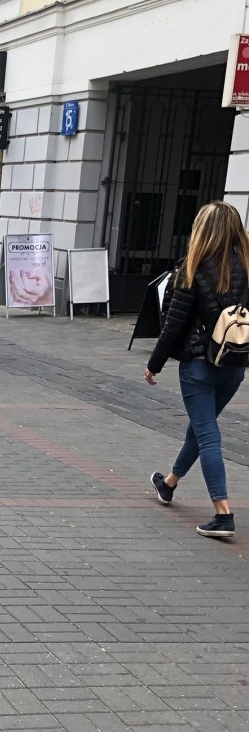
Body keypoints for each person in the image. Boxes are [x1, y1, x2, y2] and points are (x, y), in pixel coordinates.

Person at [146, 201, 249, 540]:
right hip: (234, 365)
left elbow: (173, 325)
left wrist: (153, 365)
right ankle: (169, 483)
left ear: (202, 230)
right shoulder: (247, 267)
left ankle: (223, 513)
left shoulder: (192, 269)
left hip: (198, 366)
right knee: (201, 428)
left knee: (207, 435)